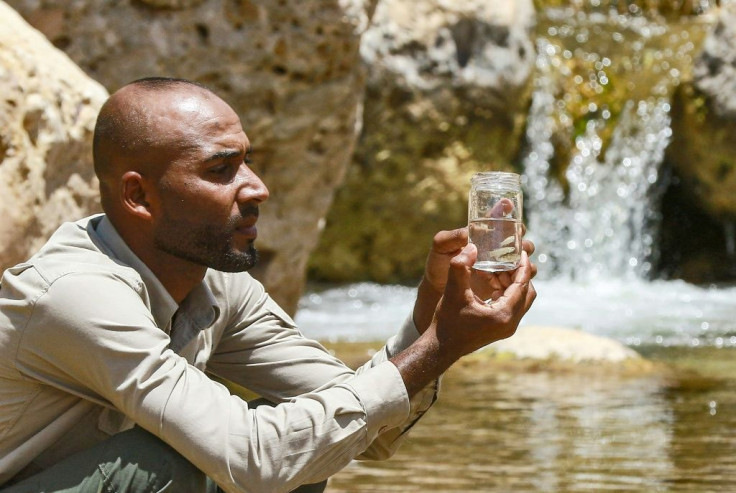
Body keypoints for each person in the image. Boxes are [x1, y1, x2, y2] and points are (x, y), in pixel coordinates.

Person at [0, 77, 537, 492]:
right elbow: (252, 459)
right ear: (139, 197)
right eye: (221, 170)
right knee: (174, 460)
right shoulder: (77, 295)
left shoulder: (215, 285)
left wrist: (427, 318)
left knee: (308, 438)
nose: (258, 188)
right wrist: (442, 343)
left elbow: (363, 421)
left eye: (248, 163)